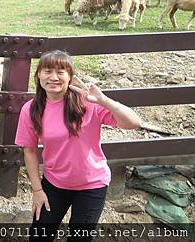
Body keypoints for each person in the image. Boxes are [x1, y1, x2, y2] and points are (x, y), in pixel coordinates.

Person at [14, 50, 141, 242]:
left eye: (61, 72)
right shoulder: (31, 109)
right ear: (38, 75)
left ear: (70, 77)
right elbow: (30, 151)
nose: (54, 77)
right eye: (47, 71)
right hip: (54, 184)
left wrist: (103, 100)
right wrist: (37, 190)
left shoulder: (87, 103)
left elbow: (133, 123)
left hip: (92, 185)